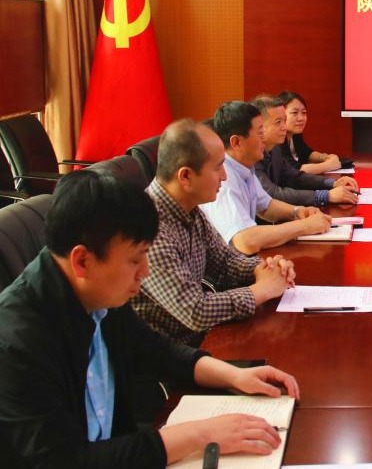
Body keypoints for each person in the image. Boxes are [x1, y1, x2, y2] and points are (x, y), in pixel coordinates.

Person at [0, 170, 300, 468]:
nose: (145, 272)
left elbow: (153, 349)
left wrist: (234, 376)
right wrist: (200, 435)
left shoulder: (95, 289)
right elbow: (64, 461)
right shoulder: (17, 345)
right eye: (134, 259)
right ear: (82, 260)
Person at [132, 119, 296, 345]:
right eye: (218, 167)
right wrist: (261, 290)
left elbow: (224, 262)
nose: (224, 176)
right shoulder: (150, 228)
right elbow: (195, 311)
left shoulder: (188, 208)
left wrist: (265, 268)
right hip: (169, 354)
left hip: (202, 342)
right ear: (185, 176)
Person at [200, 101, 332, 255]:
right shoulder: (224, 180)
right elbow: (245, 241)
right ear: (236, 142)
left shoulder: (243, 166)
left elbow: (266, 207)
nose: (265, 138)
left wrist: (297, 211)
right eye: (260, 132)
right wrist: (305, 226)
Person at [251, 95, 359, 207]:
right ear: (260, 126)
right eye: (278, 122)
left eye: (284, 121)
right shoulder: (251, 156)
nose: (284, 127)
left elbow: (294, 176)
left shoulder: (275, 149)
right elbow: (272, 194)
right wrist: (326, 195)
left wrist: (333, 183)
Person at [278, 90, 342, 175]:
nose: (301, 118)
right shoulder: (277, 139)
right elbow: (293, 170)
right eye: (294, 113)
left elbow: (306, 153)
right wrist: (329, 165)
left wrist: (326, 157)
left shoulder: (295, 133)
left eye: (304, 113)